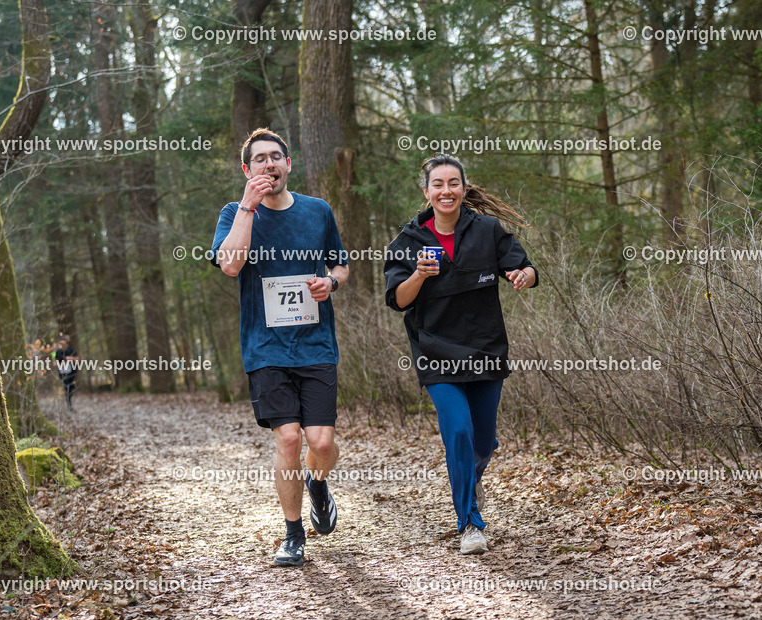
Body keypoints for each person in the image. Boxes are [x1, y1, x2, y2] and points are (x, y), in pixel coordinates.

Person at [384, 154, 539, 555]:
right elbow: (398, 300)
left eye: (454, 183)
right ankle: (470, 523)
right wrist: (418, 274)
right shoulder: (408, 242)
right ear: (427, 192)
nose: (446, 190)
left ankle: (472, 475)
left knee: (482, 443)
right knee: (458, 432)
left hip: (486, 349)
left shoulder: (486, 230)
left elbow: (527, 268)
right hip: (436, 353)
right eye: (438, 184)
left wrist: (524, 275)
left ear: (464, 189)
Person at [211, 127, 349, 567]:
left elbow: (341, 264)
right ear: (247, 169)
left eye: (276, 156)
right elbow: (230, 266)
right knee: (289, 438)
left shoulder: (318, 211)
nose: (269, 164)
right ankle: (293, 534)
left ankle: (318, 484)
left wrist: (330, 282)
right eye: (259, 159)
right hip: (265, 346)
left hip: (316, 344)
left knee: (321, 443)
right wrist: (248, 209)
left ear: (289, 164)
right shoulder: (234, 212)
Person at [52, 335, 79, 410]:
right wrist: (64, 359)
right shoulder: (58, 351)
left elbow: (77, 359)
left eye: (65, 343)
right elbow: (54, 361)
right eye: (62, 343)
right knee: (66, 386)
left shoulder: (71, 350)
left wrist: (70, 359)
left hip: (71, 372)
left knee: (71, 387)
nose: (64, 345)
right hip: (62, 372)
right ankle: (68, 402)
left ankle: (69, 400)